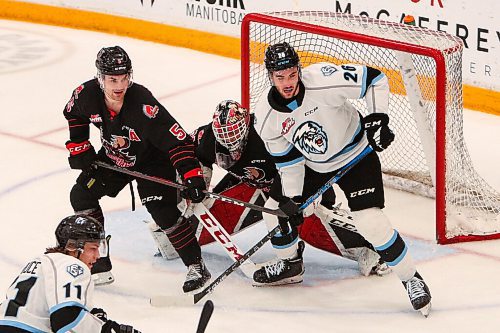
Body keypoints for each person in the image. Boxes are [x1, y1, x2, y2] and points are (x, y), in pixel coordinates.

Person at [252, 42, 431, 316]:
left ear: (298, 70)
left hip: (356, 154)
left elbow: (374, 79)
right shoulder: (266, 118)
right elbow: (289, 163)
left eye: (291, 74)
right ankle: (290, 265)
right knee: (276, 211)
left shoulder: (323, 79)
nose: (287, 82)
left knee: (370, 223)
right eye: (280, 77)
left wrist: (377, 119)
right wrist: (295, 199)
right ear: (270, 76)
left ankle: (411, 278)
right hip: (313, 164)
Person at [150, 100, 390, 279]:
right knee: (176, 239)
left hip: (295, 188)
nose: (230, 144)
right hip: (254, 189)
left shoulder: (269, 134)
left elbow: (307, 164)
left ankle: (369, 246)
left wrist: (308, 197)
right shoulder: (208, 138)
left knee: (305, 223)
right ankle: (177, 235)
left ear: (245, 126)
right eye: (224, 137)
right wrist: (198, 184)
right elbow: (191, 158)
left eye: (234, 135)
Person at [62, 46, 209, 293]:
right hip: (114, 158)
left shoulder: (143, 104)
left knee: (162, 212)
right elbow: (72, 112)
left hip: (153, 162)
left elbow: (178, 140)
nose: (119, 85)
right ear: (101, 78)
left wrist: (191, 175)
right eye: (112, 79)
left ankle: (196, 265)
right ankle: (99, 260)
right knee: (81, 194)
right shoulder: (86, 94)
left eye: (123, 78)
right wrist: (79, 145)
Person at [0, 214, 141, 333]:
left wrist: (90, 316)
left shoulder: (41, 262)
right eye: (93, 248)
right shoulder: (72, 265)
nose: (98, 256)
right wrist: (107, 328)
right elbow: (66, 318)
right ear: (72, 247)